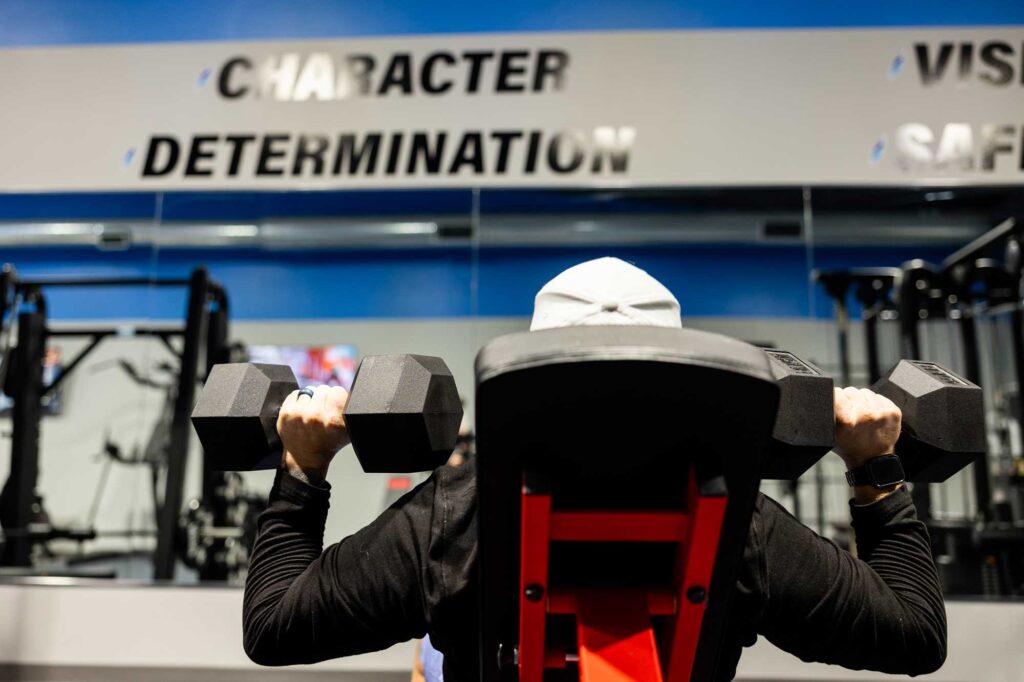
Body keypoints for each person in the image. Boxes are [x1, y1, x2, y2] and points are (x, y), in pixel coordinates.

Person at [242, 257, 946, 681]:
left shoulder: (452, 514)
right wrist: (873, 465)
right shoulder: (741, 525)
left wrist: (305, 465)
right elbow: (914, 634)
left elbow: (273, 626)